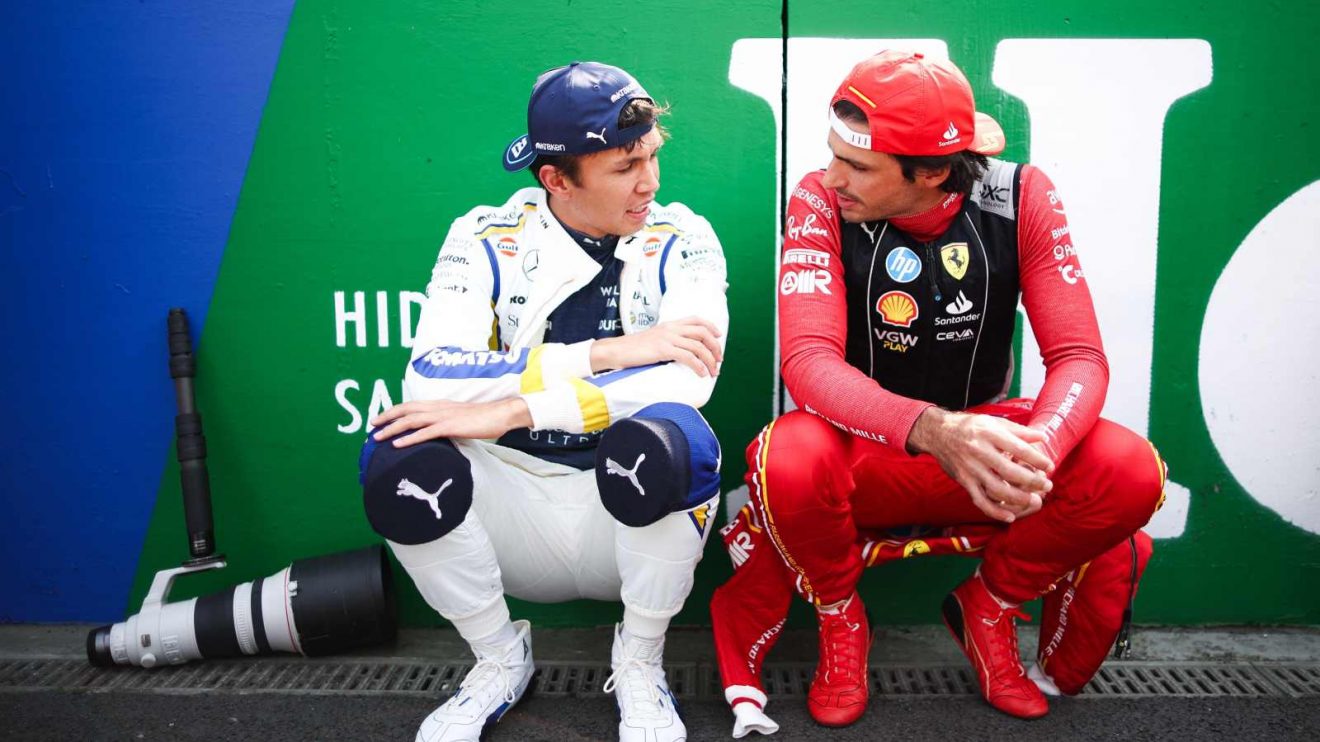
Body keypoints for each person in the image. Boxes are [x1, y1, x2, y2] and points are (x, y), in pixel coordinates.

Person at [709, 50, 1167, 734]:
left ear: (931, 172)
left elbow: (1079, 358)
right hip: (868, 456)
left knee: (1129, 469)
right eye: (832, 154)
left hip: (985, 458)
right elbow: (806, 363)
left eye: (857, 166)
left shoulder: (1024, 195)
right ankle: (840, 617)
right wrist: (935, 431)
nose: (832, 176)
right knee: (787, 456)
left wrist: (1035, 449)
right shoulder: (817, 199)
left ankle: (990, 606)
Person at [359, 61, 729, 742]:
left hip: (625, 504)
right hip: (511, 503)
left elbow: (688, 379)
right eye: (624, 166)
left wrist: (513, 409)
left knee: (679, 437)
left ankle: (641, 661)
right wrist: (605, 353)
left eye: (652, 155)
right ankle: (498, 660)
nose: (650, 181)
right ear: (556, 178)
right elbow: (432, 380)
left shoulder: (686, 235)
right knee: (397, 451)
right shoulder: (484, 235)